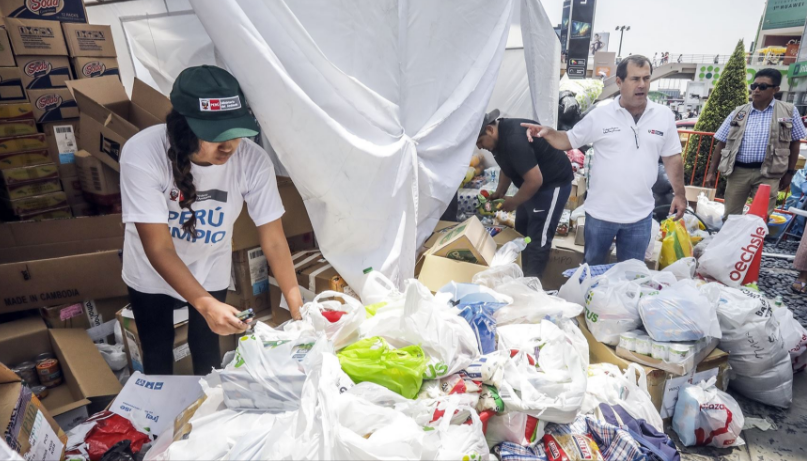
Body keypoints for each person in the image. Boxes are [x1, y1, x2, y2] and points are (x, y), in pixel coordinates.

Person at [120, 65, 305, 375]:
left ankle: (204, 415)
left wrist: (297, 305)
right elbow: (160, 249)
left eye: (236, 133)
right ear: (184, 127)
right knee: (157, 351)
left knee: (207, 351)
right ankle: (164, 416)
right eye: (216, 136)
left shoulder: (253, 160)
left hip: (210, 263)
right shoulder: (142, 153)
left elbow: (273, 239)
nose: (229, 146)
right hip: (151, 269)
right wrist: (204, 305)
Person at [521, 55, 687, 266]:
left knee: (630, 276)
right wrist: (547, 133)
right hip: (600, 216)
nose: (642, 85)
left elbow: (672, 157)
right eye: (635, 79)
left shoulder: (663, 116)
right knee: (592, 272)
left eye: (646, 78)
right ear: (619, 82)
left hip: (640, 216)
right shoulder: (600, 116)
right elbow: (569, 140)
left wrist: (680, 195)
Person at [476, 109, 574, 277]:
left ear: (490, 130)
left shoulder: (514, 140)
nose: (479, 147)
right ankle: (522, 268)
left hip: (551, 184)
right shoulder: (499, 139)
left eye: (480, 141)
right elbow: (507, 166)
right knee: (523, 230)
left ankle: (531, 284)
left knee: (538, 237)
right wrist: (500, 192)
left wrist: (513, 202)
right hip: (532, 186)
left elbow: (535, 180)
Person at [705, 68, 806, 218]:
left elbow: (795, 143)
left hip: (769, 174)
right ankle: (732, 241)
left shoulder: (788, 111)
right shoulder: (739, 112)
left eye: (763, 87)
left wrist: (789, 173)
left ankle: (752, 242)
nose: (757, 90)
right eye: (754, 86)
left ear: (775, 89)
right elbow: (721, 142)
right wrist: (711, 173)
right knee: (731, 216)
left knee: (761, 218)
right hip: (738, 172)